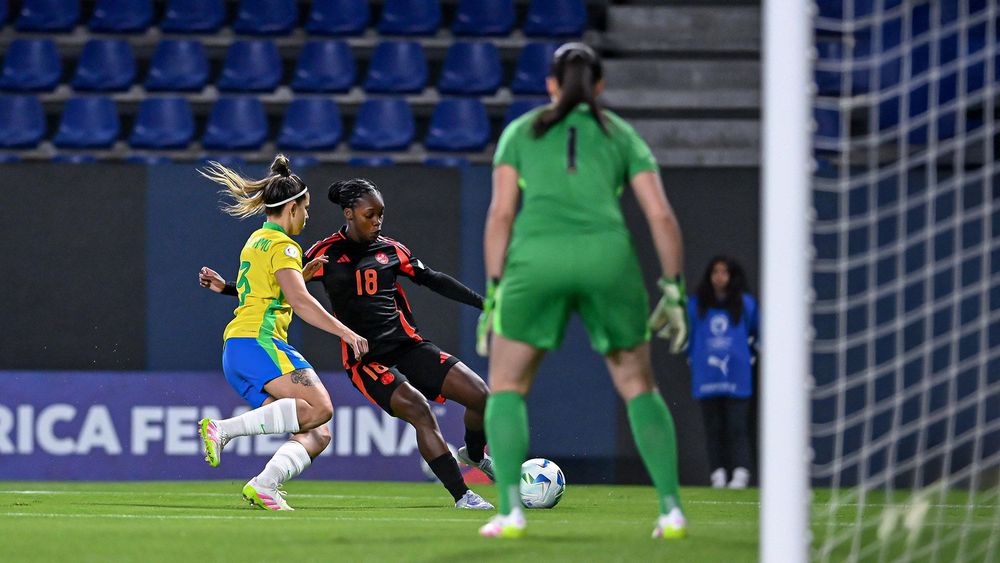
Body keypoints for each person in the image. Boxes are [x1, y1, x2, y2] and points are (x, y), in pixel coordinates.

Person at [476, 42, 690, 539]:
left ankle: (510, 512)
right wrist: (674, 287)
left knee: (507, 387)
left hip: (537, 261)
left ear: (550, 84)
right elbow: (659, 214)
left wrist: (492, 290)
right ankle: (671, 510)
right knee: (639, 385)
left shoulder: (521, 132)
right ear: (599, 86)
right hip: (608, 260)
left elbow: (501, 214)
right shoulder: (621, 134)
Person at [199, 177, 495, 510]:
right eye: (370, 214)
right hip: (363, 358)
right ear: (350, 213)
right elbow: (288, 291)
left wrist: (484, 302)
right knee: (417, 412)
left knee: (481, 395)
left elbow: (434, 280)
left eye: (381, 214)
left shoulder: (391, 250)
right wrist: (346, 333)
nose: (377, 221)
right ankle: (463, 496)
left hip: (407, 345)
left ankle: (473, 452)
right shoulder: (320, 252)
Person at [195, 154, 369, 511]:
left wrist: (296, 276)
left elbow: (260, 292)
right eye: (305, 208)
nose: (308, 215)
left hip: (239, 348)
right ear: (291, 207)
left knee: (317, 433)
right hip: (260, 342)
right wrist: (346, 333)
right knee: (321, 408)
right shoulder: (284, 246)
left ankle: (265, 486)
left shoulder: (256, 239)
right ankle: (223, 430)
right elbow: (301, 304)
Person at [688, 255, 759, 489]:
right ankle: (717, 475)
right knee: (713, 428)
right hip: (707, 377)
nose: (719, 277)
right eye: (715, 272)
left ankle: (740, 474)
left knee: (738, 427)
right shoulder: (696, 305)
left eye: (724, 272)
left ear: (732, 276)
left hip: (737, 377)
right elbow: (687, 336)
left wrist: (753, 354)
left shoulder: (746, 304)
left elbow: (758, 334)